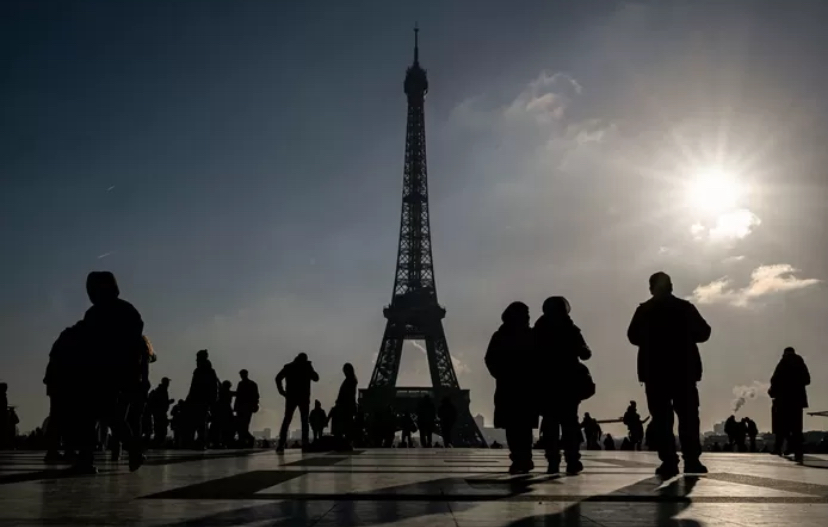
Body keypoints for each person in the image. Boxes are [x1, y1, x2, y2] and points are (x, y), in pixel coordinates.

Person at [627, 271, 711, 477]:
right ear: (671, 287)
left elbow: (633, 336)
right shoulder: (685, 308)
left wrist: (652, 340)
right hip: (683, 371)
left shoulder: (644, 310)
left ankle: (669, 461)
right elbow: (704, 332)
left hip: (655, 372)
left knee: (662, 420)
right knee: (688, 417)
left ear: (651, 288)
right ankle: (691, 460)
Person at [82, 271, 146, 473]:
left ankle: (88, 458)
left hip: (108, 373)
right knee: (109, 417)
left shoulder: (97, 313)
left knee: (100, 416)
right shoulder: (126, 311)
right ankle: (132, 449)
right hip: (115, 373)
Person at [533, 296, 592, 475]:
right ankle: (572, 460)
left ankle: (553, 460)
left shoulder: (539, 329)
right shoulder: (571, 329)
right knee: (570, 423)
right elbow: (585, 353)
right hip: (568, 383)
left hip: (546, 383)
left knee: (550, 423)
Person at [485, 301, 539, 473]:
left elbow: (490, 359)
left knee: (513, 426)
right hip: (526, 387)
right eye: (526, 315)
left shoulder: (500, 336)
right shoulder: (531, 335)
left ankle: (518, 458)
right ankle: (524, 457)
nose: (528, 318)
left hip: (508, 386)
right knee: (523, 426)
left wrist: (502, 374)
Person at [43, 322, 85, 462]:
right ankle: (67, 449)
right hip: (66, 384)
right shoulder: (75, 341)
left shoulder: (63, 340)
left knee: (57, 417)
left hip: (57, 384)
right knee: (69, 418)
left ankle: (54, 450)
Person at [769, 346, 811, 463]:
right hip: (797, 401)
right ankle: (797, 451)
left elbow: (774, 380)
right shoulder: (800, 363)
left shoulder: (783, 363)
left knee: (781, 425)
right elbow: (807, 380)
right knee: (797, 427)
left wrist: (773, 391)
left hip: (784, 400)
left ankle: (779, 448)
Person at [275, 353, 319, 452]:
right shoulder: (306, 367)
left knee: (287, 420)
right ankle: (305, 444)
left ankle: (281, 443)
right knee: (304, 421)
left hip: (291, 397)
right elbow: (316, 378)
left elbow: (278, 378)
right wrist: (310, 367)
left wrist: (282, 391)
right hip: (303, 397)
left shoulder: (289, 367)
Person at [186, 349, 219, 449]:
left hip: (200, 400)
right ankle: (199, 441)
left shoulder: (203, 371)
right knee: (199, 421)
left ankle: (200, 441)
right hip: (200, 400)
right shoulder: (206, 371)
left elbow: (195, 387)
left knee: (199, 422)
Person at [334, 363, 358, 449]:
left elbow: (347, 394)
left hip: (346, 406)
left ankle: (346, 443)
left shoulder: (349, 381)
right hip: (348, 406)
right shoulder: (352, 380)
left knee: (345, 425)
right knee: (348, 425)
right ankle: (347, 442)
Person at [234, 370, 260, 448]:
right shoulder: (242, 383)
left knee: (244, 425)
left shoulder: (251, 384)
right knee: (241, 425)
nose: (242, 376)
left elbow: (256, 396)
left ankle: (247, 440)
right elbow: (238, 396)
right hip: (242, 407)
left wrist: (254, 405)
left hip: (246, 407)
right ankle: (243, 441)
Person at [147, 378, 173, 447]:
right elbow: (161, 402)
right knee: (161, 429)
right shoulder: (161, 390)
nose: (168, 384)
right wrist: (168, 402)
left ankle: (157, 443)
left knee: (160, 428)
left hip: (159, 412)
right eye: (167, 382)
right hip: (160, 413)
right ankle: (157, 443)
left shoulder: (160, 390)